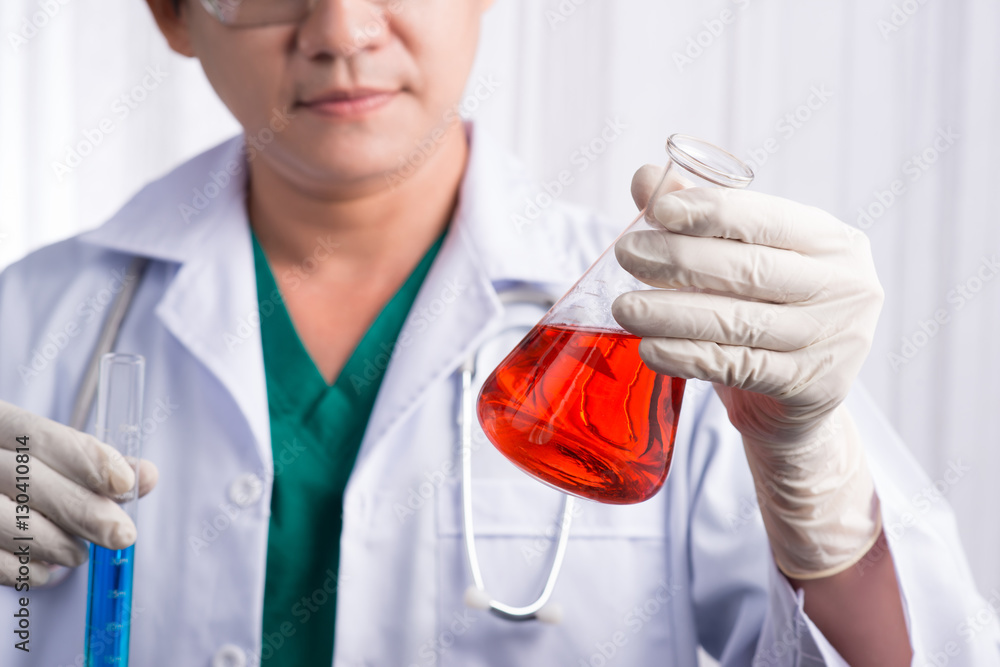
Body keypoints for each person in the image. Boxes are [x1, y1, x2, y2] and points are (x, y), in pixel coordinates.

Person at [0, 0, 996, 665]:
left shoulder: (691, 326)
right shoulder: (31, 320)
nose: (343, 29)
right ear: (173, 14)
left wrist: (821, 503)